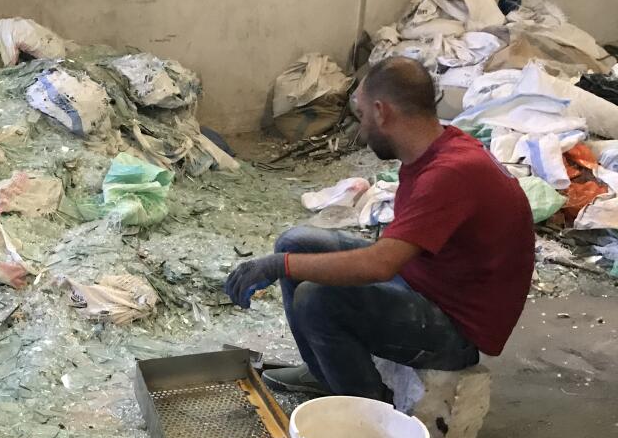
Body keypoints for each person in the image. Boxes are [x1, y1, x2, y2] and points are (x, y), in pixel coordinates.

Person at [225, 56, 535, 401]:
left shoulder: (450, 173)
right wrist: (286, 260)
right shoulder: (435, 148)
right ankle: (323, 374)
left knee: (317, 300)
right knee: (295, 243)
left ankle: (367, 414)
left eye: (362, 117)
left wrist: (277, 265)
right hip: (426, 281)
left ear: (382, 111)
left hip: (455, 328)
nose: (361, 130)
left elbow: (379, 264)